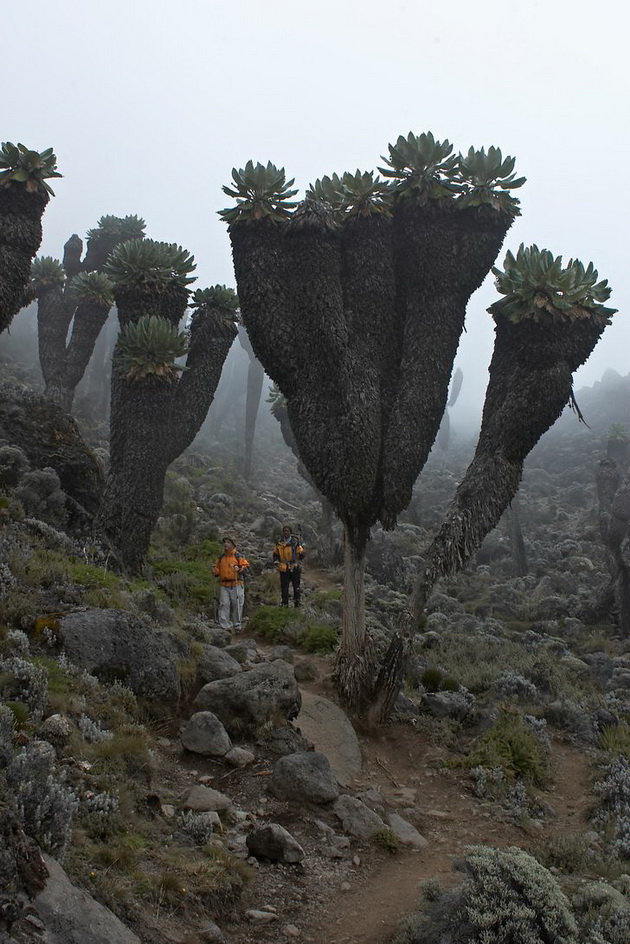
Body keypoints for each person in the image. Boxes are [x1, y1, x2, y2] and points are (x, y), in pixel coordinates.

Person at [213, 536, 250, 632]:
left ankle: (237, 625)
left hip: (236, 583)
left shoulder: (238, 556)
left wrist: (239, 568)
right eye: (225, 542)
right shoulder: (221, 557)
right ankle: (224, 626)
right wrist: (215, 571)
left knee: (237, 604)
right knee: (224, 604)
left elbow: (246, 566)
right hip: (224, 584)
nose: (226, 544)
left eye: (228, 542)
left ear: (233, 545)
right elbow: (217, 568)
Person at [273, 525, 304, 607]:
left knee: (296, 586)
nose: (286, 532)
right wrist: (276, 561)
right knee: (284, 587)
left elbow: (301, 555)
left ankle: (297, 603)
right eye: (284, 531)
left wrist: (301, 553)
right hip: (283, 567)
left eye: (287, 531)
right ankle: (284, 603)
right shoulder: (279, 542)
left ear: (290, 532)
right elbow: (275, 554)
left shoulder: (295, 542)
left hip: (294, 566)